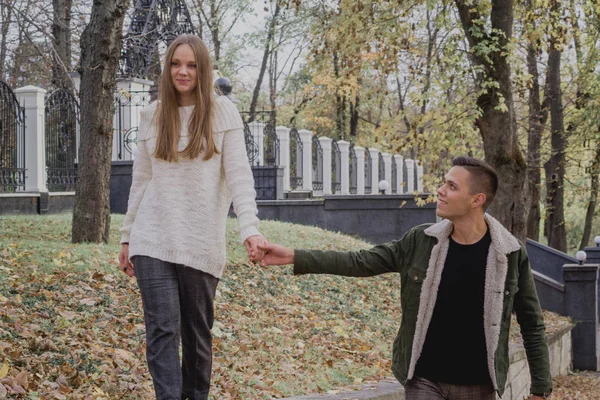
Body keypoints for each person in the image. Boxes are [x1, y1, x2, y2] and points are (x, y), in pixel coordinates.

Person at [255, 157, 552, 400]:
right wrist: (294, 255)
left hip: (478, 385)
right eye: (443, 183)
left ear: (477, 199)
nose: (440, 190)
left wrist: (540, 388)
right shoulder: (421, 242)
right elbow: (362, 261)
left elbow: (531, 323)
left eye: (451, 186)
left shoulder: (509, 255)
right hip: (424, 378)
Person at [118, 34, 265, 400]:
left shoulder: (222, 112)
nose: (183, 72)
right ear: (167, 68)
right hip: (152, 237)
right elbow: (141, 181)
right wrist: (126, 236)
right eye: (175, 64)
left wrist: (250, 228)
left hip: (201, 240)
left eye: (192, 65)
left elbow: (239, 176)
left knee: (197, 336)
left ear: (203, 69)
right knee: (162, 330)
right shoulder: (152, 114)